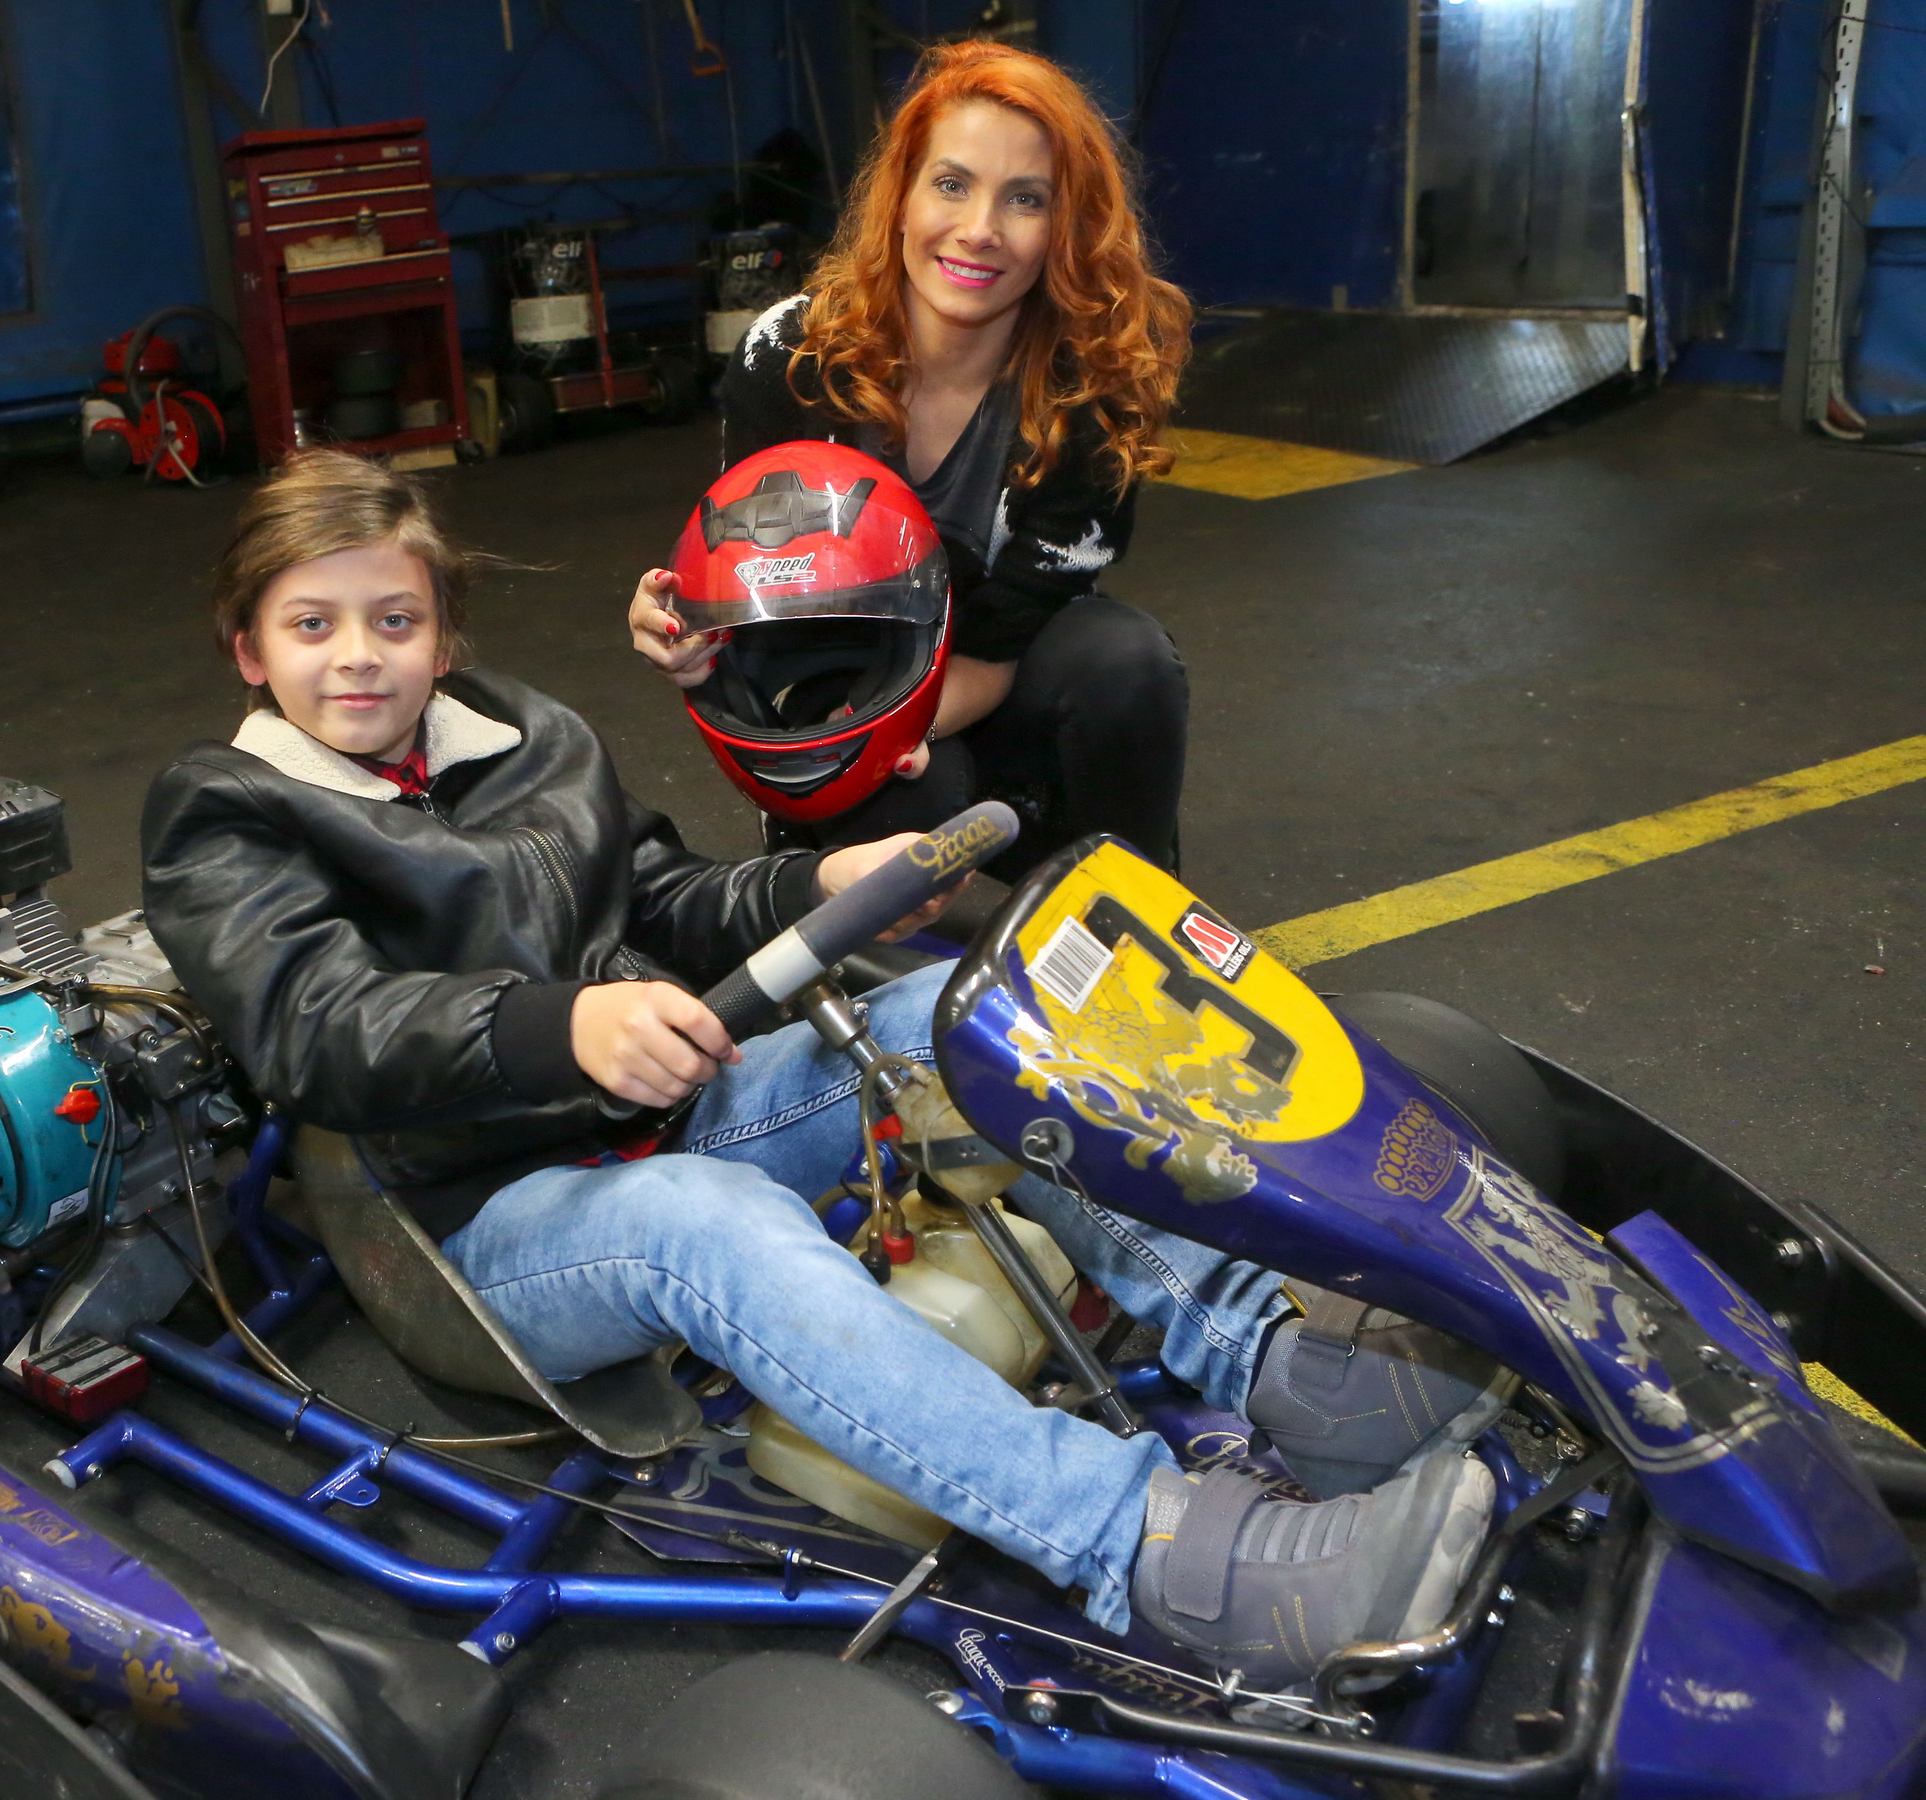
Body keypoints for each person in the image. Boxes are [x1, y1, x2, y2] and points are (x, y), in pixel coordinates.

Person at [141, 448, 1499, 1693]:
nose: (359, 659)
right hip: (479, 1225)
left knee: (947, 1021)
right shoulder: (225, 816)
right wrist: (558, 1025)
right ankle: (1168, 1556)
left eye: (395, 620)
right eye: (312, 625)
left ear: (443, 636)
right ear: (248, 648)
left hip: (664, 1111)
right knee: (709, 1220)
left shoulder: (518, 733)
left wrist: (817, 881)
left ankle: (1279, 1366)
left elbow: (661, 895)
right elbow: (318, 1030)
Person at [630, 40, 1191, 872]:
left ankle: (1133, 907)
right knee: (900, 823)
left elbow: (1009, 633)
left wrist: (900, 732)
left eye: (1025, 199)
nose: (980, 231)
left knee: (1124, 660)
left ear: (1063, 228)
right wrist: (684, 625)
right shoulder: (790, 356)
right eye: (951, 184)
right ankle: (826, 870)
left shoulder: (1093, 389)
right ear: (900, 197)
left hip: (994, 677)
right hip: (848, 683)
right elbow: (754, 581)